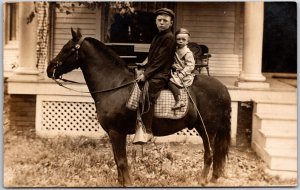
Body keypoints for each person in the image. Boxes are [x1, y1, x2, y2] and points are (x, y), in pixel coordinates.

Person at [134, 8, 176, 143]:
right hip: (154, 70)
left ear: (171, 23)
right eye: (159, 20)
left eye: (165, 21)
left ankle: (148, 131)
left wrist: (146, 75)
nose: (162, 23)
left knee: (149, 94)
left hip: (161, 74)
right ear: (156, 22)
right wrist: (144, 64)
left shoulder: (169, 38)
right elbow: (153, 56)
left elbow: (160, 61)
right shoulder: (158, 35)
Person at [168, 28, 195, 110]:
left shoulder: (187, 52)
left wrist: (182, 73)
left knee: (170, 82)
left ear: (187, 41)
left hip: (184, 74)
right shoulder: (176, 50)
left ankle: (179, 100)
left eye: (183, 39)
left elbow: (190, 66)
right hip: (176, 72)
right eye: (178, 39)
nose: (180, 41)